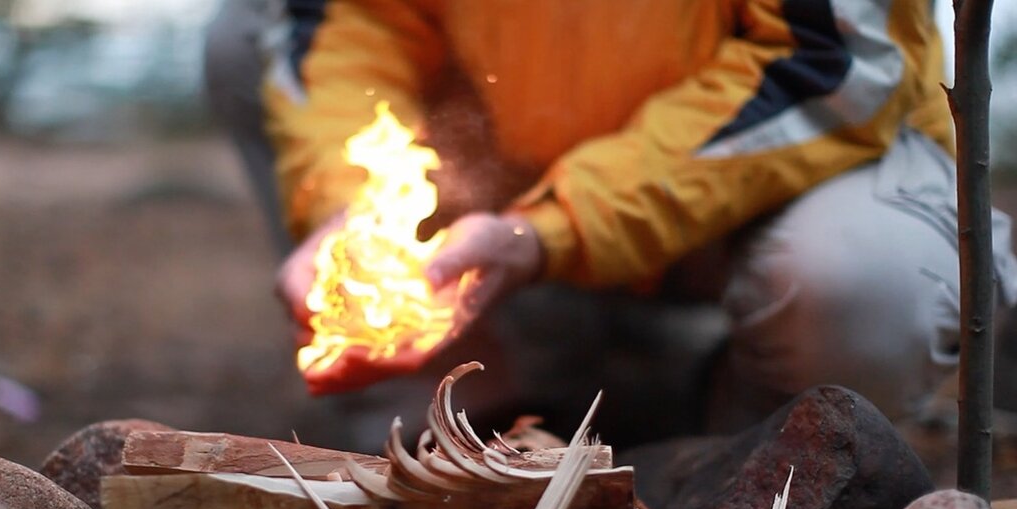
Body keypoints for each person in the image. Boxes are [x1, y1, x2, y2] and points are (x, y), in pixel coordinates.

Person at [206, 0, 1017, 450]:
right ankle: (462, 410)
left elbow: (827, 65)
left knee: (858, 285)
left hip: (799, 162)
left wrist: (551, 231)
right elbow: (352, 21)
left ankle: (739, 460)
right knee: (249, 32)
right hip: (531, 179)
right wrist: (350, 208)